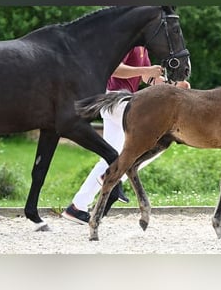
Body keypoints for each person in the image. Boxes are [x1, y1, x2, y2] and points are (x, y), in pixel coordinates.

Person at [62, 46, 190, 224]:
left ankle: (76, 208)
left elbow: (148, 78)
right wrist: (146, 69)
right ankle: (115, 176)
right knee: (159, 138)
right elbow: (115, 69)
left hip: (122, 103)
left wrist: (175, 87)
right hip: (118, 101)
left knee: (109, 160)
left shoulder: (142, 49)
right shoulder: (128, 43)